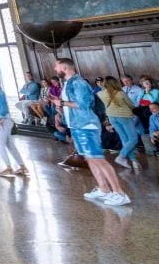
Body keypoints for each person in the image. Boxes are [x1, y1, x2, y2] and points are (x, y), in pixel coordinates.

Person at [53, 59, 130, 205]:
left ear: (64, 67)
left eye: (56, 66)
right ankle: (104, 189)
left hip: (86, 125)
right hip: (77, 125)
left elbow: (83, 105)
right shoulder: (68, 83)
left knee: (98, 158)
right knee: (90, 158)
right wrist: (61, 107)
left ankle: (120, 193)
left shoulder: (78, 83)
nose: (55, 68)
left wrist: (62, 103)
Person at [0, 73, 28, 178]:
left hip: (2, 119)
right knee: (9, 144)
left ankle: (9, 168)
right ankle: (22, 166)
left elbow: (3, 107)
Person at [100, 77, 140, 171]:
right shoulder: (120, 93)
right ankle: (121, 157)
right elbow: (131, 105)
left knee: (124, 139)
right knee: (133, 138)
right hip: (124, 116)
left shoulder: (101, 94)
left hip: (112, 117)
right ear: (115, 83)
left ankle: (134, 161)